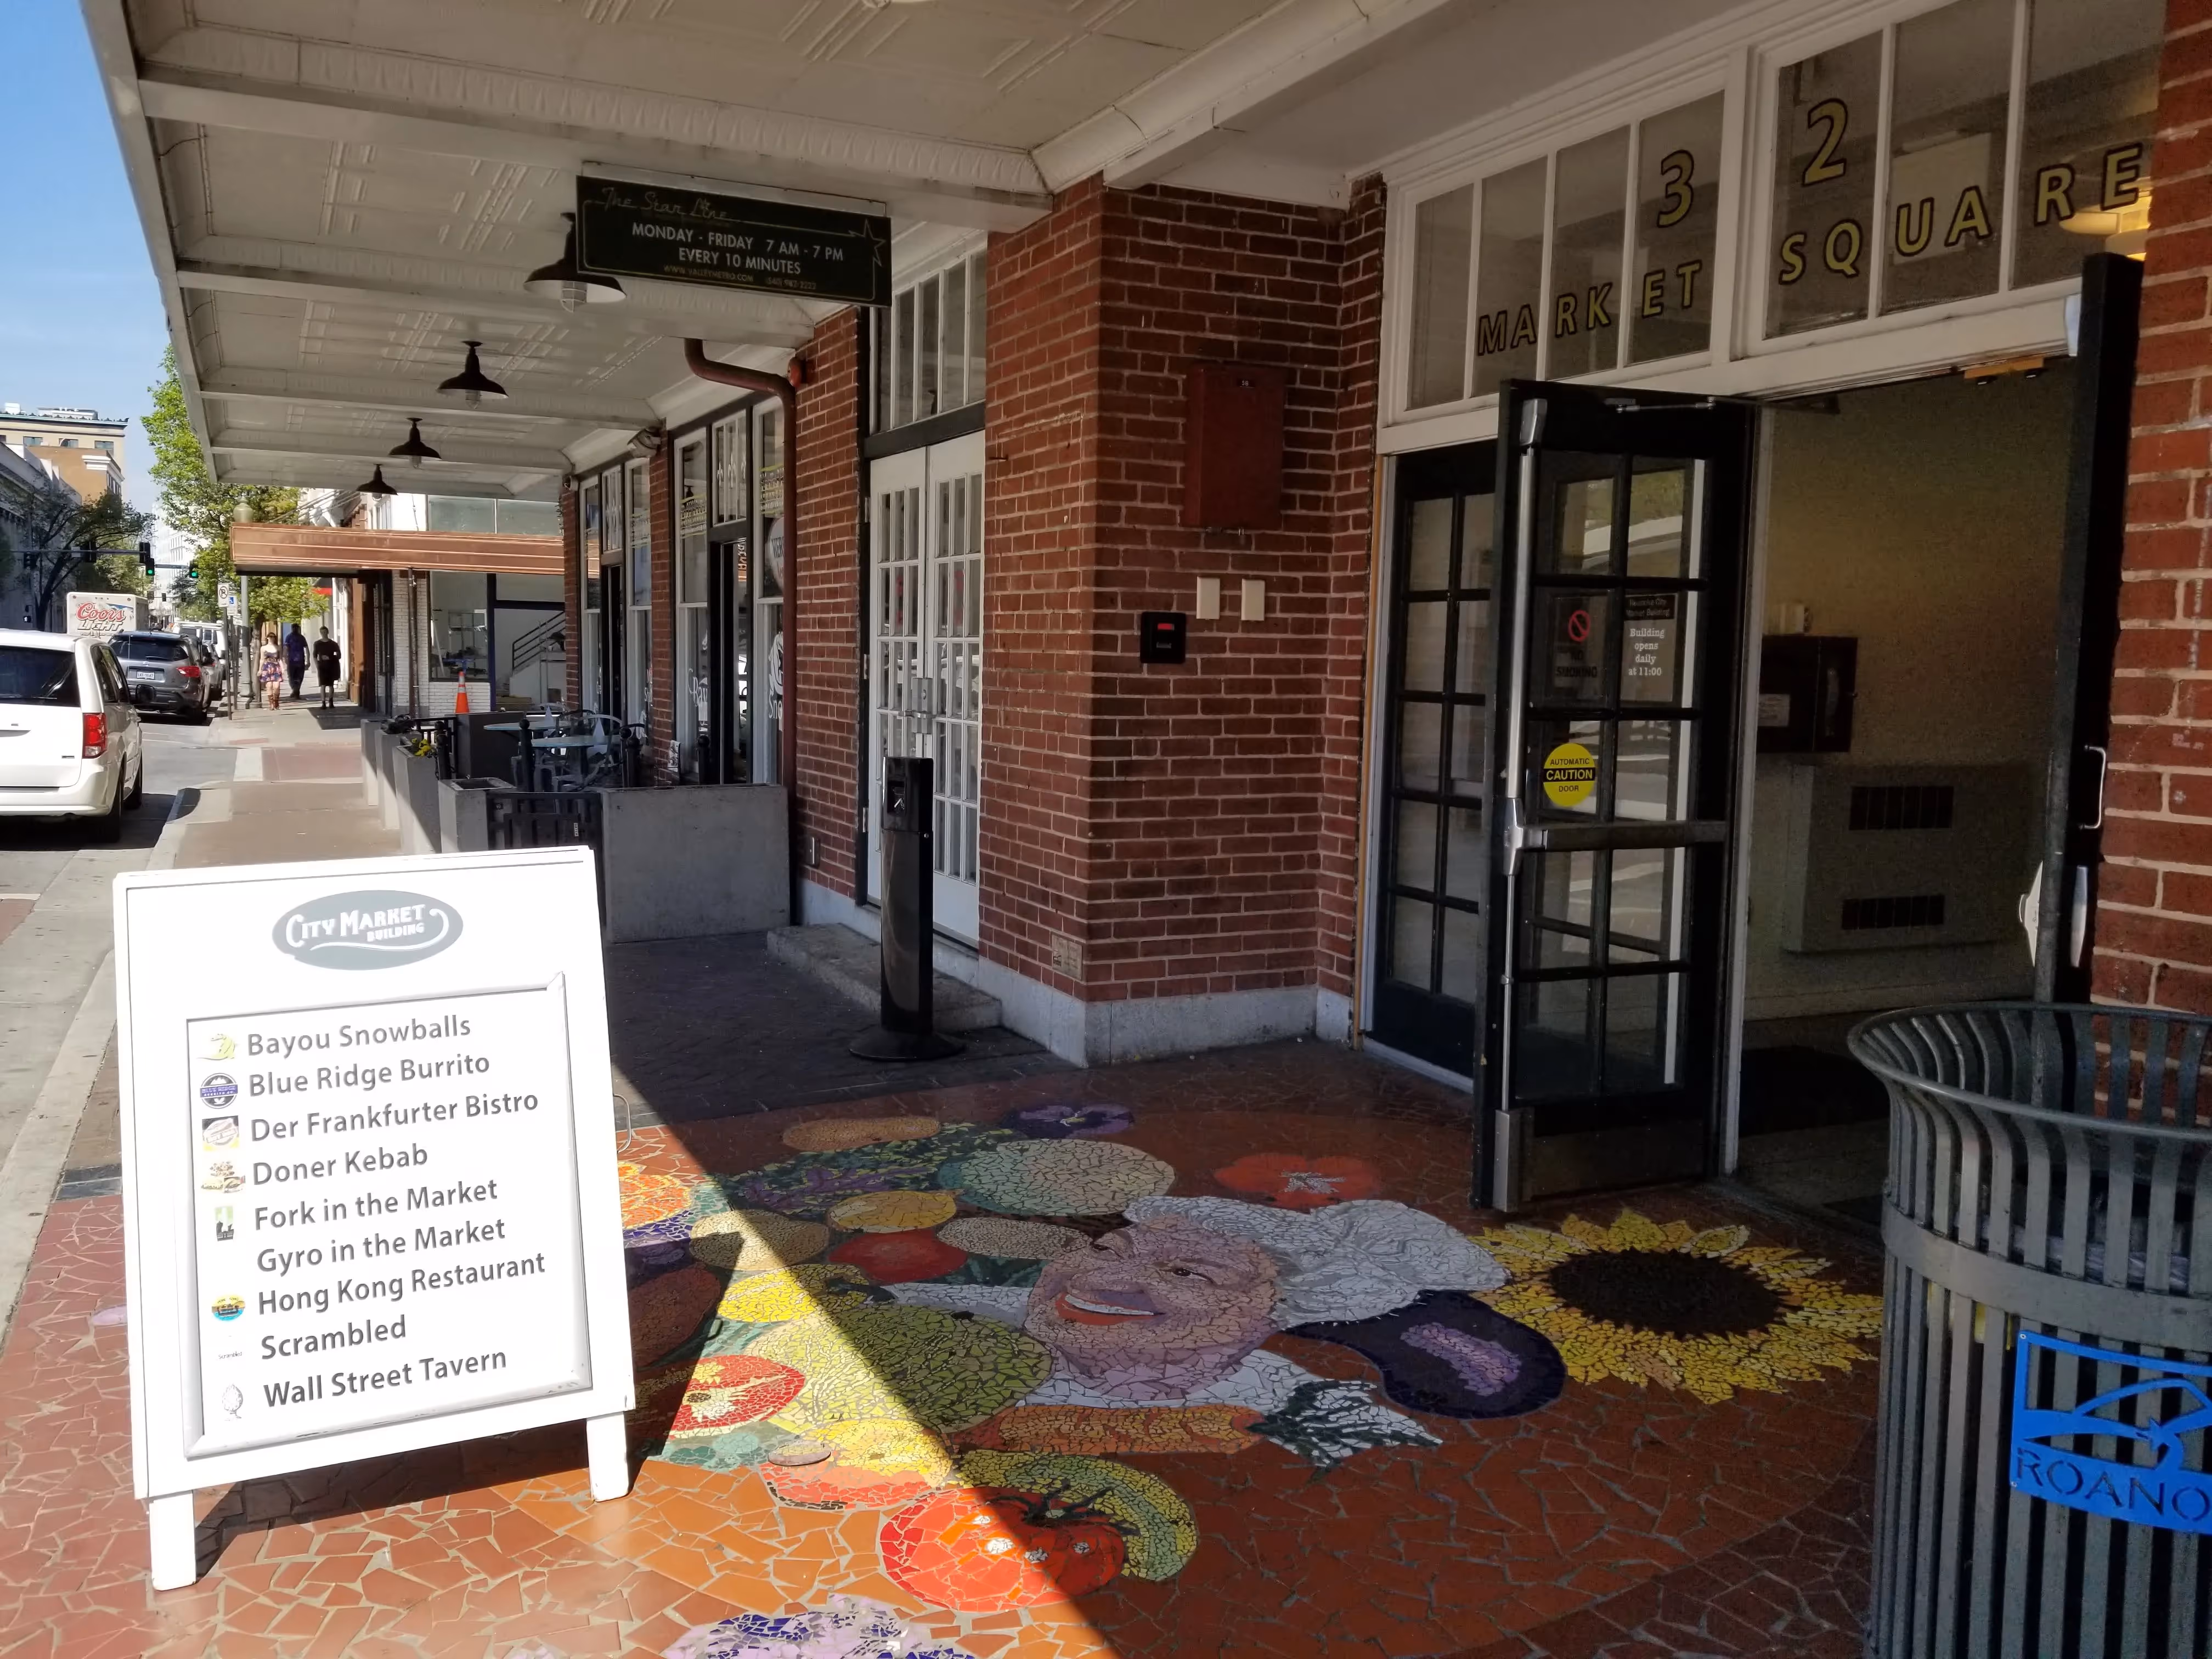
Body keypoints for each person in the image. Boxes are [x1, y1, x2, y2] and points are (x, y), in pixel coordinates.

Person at [312, 628, 342, 710]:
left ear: (328, 632)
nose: (324, 634)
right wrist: (317, 665)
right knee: (323, 685)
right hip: (322, 667)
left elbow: (339, 655)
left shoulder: (333, 644)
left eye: (325, 632)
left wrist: (330, 658)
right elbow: (314, 655)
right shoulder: (317, 644)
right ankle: (323, 703)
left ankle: (331, 702)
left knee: (331, 685)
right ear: (320, 633)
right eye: (322, 632)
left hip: (332, 666)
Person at [256, 638, 284, 712]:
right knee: (269, 686)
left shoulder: (278, 647)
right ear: (268, 638)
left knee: (277, 686)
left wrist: (283, 668)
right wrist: (260, 670)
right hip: (267, 668)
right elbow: (262, 659)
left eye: (273, 636)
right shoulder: (263, 648)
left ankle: (276, 701)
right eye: (270, 636)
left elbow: (280, 659)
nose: (272, 638)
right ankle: (271, 704)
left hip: (276, 668)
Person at [283, 624, 308, 701]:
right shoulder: (289, 637)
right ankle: (295, 690)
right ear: (292, 628)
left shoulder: (302, 638)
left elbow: (306, 648)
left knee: (300, 677)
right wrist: (285, 658)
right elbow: (286, 648)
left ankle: (296, 692)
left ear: (298, 629)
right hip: (291, 660)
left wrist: (308, 660)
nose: (295, 629)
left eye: (296, 628)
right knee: (291, 677)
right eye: (294, 628)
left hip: (301, 660)